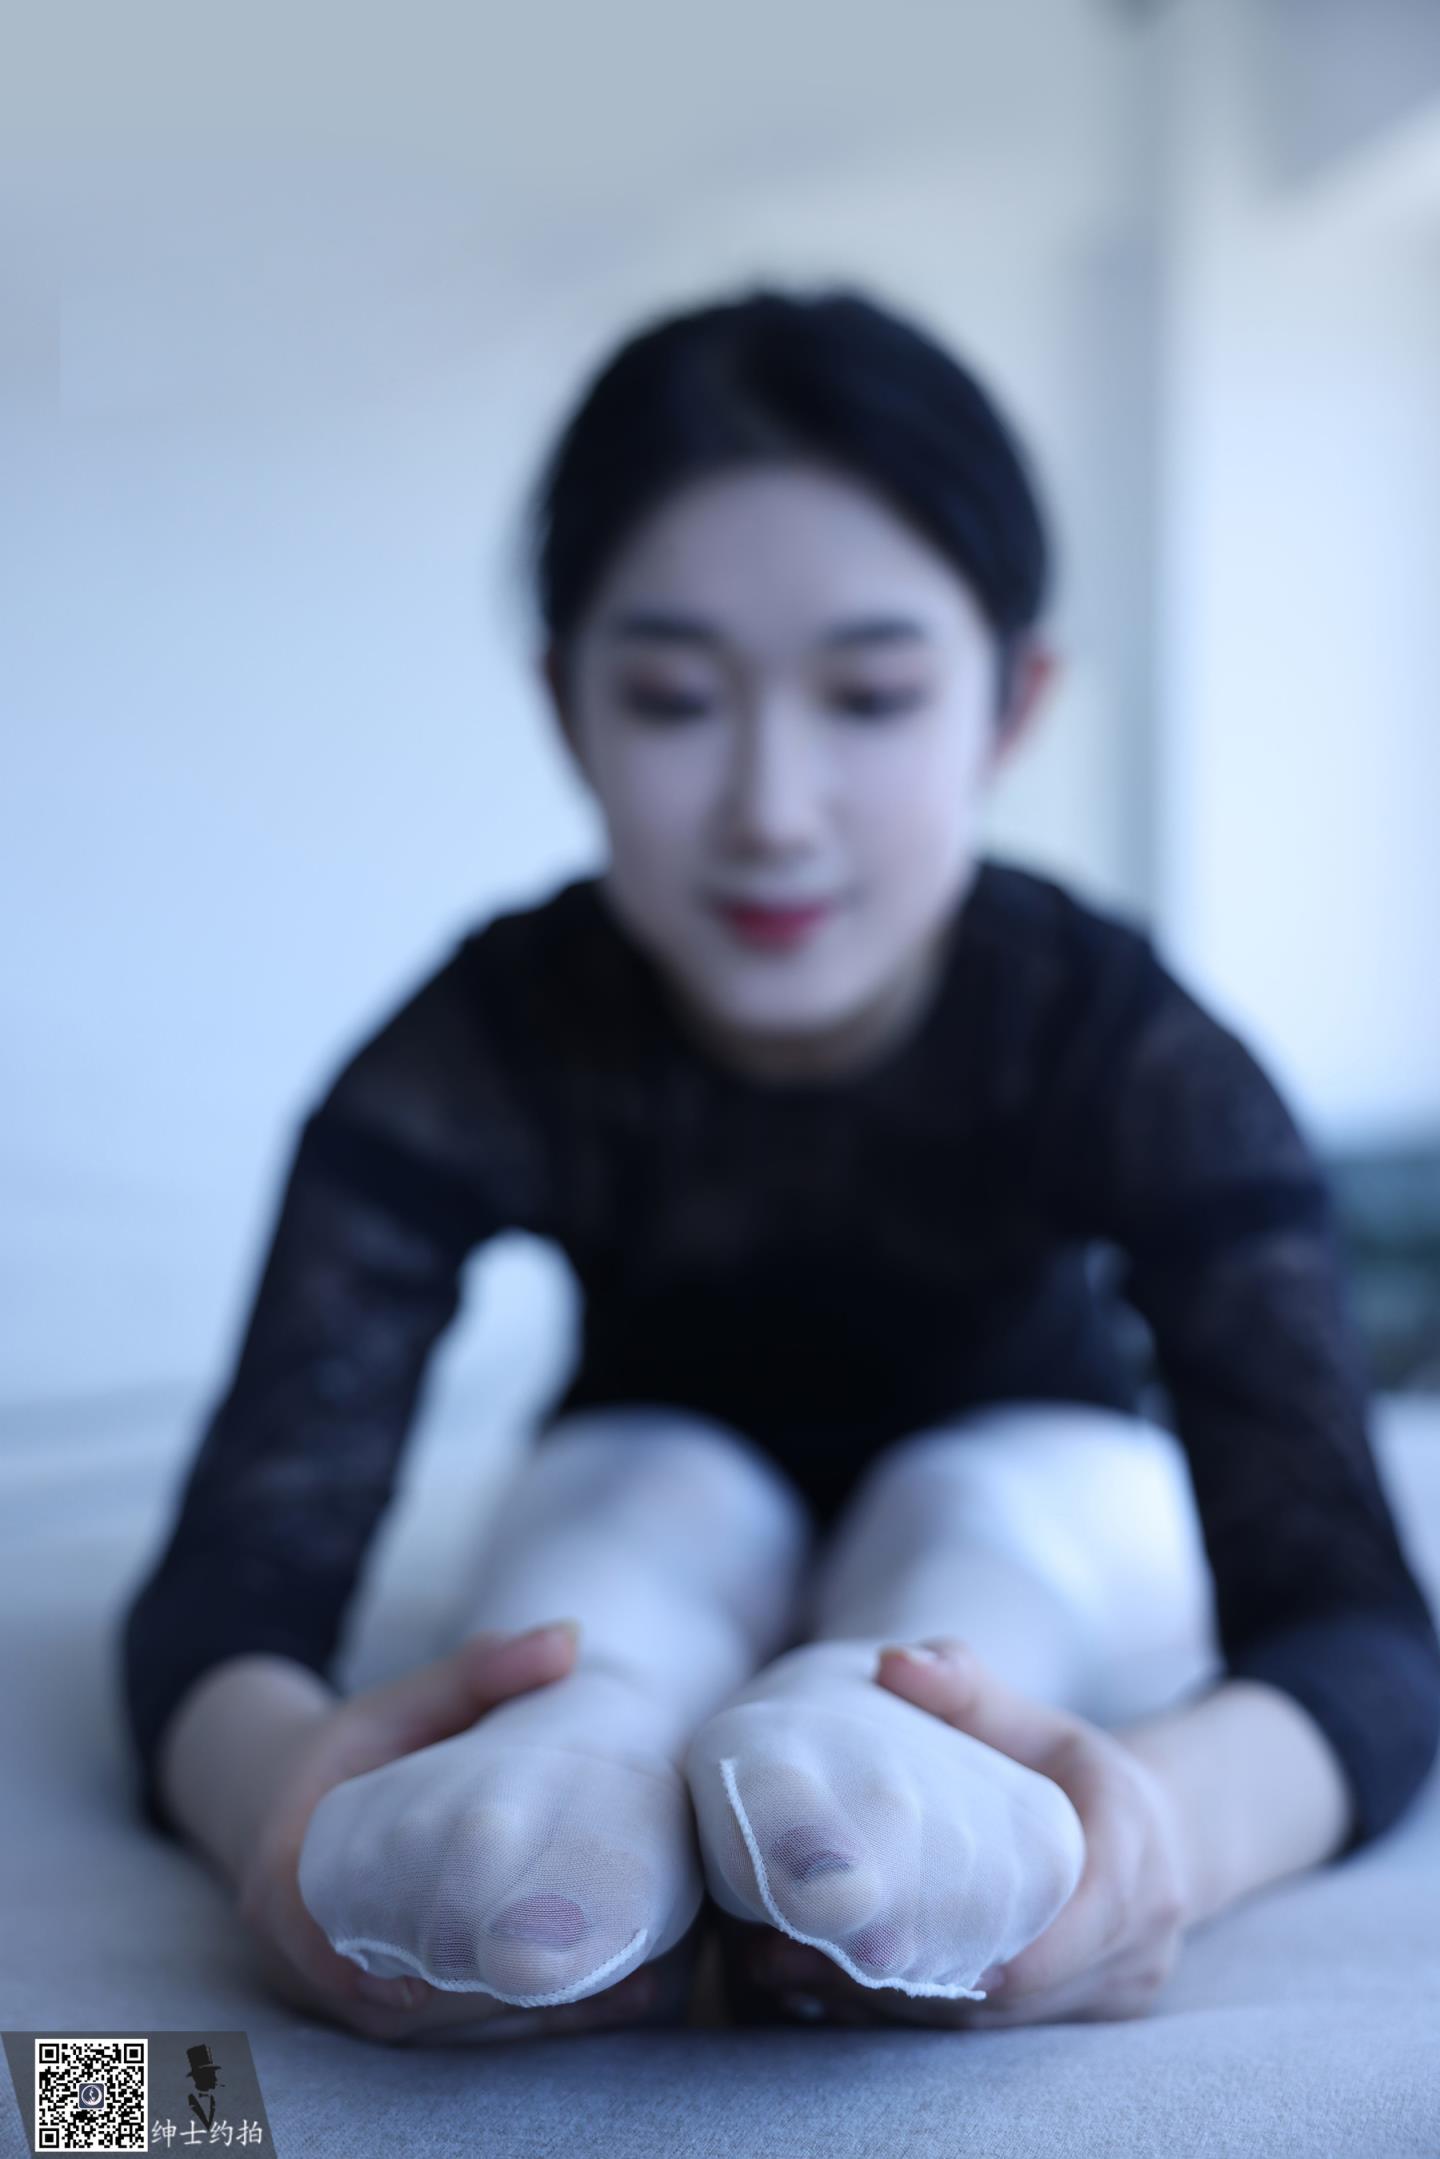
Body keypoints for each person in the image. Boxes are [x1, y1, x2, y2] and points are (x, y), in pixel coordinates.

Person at [117, 282, 1440, 2047]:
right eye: (674, 698)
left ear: (1012, 705)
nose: (771, 807)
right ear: (569, 709)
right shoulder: (487, 1036)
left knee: (972, 1535)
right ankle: (588, 1750)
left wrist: (1159, 1845)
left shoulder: (1119, 1041)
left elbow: (1356, 1629)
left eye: (872, 696)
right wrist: (286, 1815)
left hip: (1031, 1470)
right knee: (621, 1536)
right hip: (650, 1464)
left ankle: (893, 1744)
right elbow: (228, 1592)